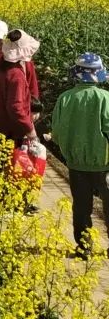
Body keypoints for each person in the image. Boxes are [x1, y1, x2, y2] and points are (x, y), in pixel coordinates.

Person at [51, 53, 109, 255]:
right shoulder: (105, 99)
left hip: (75, 163)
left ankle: (84, 246)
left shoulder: (65, 99)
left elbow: (56, 134)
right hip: (104, 163)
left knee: (82, 207)